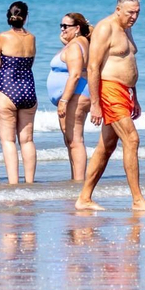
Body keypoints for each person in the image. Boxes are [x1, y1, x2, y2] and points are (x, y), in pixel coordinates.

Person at [76, 0, 145, 211]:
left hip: (126, 92)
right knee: (132, 139)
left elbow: (128, 63)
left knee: (107, 146)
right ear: (118, 9)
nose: (134, 17)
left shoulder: (127, 29)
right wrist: (95, 104)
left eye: (138, 12)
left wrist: (135, 96)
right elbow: (93, 66)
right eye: (131, 12)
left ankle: (84, 198)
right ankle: (138, 200)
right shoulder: (106, 28)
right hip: (109, 90)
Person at [0, 1, 39, 184]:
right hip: (28, 89)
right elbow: (30, 62)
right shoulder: (31, 38)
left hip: (7, 89)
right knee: (27, 140)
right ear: (26, 17)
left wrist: (1, 64)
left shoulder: (3, 36)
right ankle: (30, 182)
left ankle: (13, 183)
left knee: (8, 140)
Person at [50, 12, 93, 181]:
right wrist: (66, 42)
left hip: (76, 95)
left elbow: (75, 75)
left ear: (77, 28)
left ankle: (79, 181)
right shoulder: (77, 43)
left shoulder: (75, 46)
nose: (62, 29)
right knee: (71, 140)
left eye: (65, 26)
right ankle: (75, 178)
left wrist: (64, 100)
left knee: (75, 140)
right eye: (61, 25)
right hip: (75, 94)